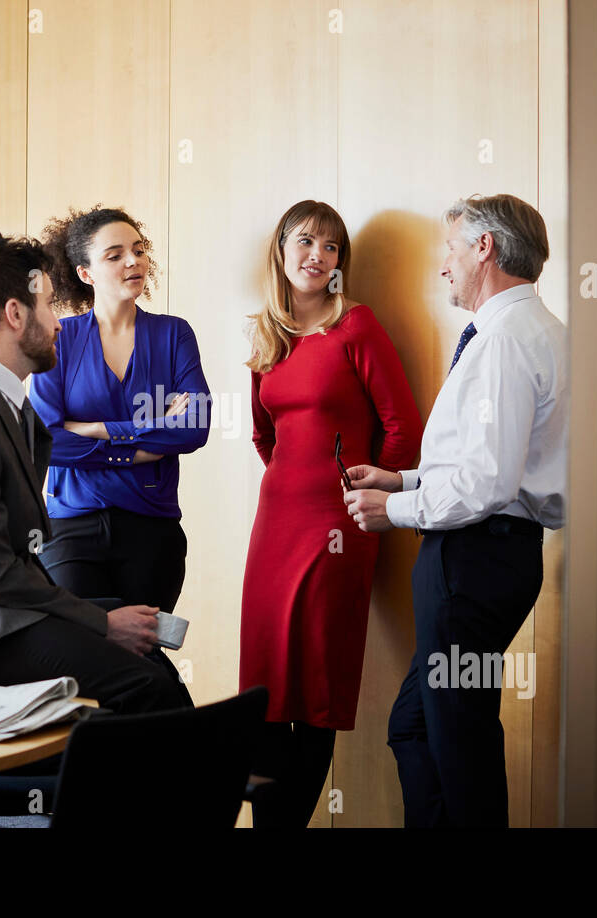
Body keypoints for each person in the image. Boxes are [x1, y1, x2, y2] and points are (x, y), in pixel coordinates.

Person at [0, 233, 188, 716]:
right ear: (14, 314)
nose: (59, 325)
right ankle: (190, 781)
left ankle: (194, 775)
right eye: (49, 306)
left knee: (147, 646)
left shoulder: (3, 401)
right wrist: (101, 623)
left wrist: (101, 618)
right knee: (139, 682)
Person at [343, 193, 567, 827]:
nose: (444, 265)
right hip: (494, 556)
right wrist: (405, 476)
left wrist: (397, 508)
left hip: (472, 558)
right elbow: (490, 460)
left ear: (484, 249)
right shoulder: (538, 332)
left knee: (456, 742)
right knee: (419, 726)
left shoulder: (503, 341)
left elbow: (489, 482)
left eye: (451, 248)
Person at [241, 200, 423, 828]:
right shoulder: (267, 338)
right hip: (274, 527)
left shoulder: (357, 327)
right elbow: (265, 438)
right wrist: (291, 485)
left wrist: (372, 505)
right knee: (262, 688)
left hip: (340, 529)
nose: (317, 255)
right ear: (281, 249)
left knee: (317, 688)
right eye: (305, 241)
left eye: (331, 246)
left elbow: (402, 427)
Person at [28, 207, 208, 707]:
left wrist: (99, 430)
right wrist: (143, 444)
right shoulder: (58, 339)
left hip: (152, 530)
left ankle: (143, 777)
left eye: (138, 249)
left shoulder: (174, 335)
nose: (134, 261)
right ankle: (182, 746)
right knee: (83, 652)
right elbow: (46, 441)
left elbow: (195, 428)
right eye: (115, 255)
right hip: (71, 530)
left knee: (141, 651)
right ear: (85, 273)